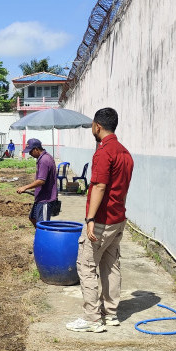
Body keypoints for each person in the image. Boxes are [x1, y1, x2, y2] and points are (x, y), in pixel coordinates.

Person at [66, 107, 134, 333]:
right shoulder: (125, 153)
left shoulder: (104, 152)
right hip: (118, 219)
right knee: (111, 264)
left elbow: (100, 185)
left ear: (97, 126)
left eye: (92, 126)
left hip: (103, 219)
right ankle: (111, 313)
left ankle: (92, 319)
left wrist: (90, 218)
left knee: (86, 265)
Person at [16, 138, 58, 227]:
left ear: (36, 149)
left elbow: (41, 181)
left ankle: (44, 239)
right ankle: (40, 235)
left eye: (30, 152)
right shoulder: (44, 157)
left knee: (43, 225)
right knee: (33, 218)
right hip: (40, 197)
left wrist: (25, 187)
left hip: (46, 199)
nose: (30, 154)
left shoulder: (44, 160)